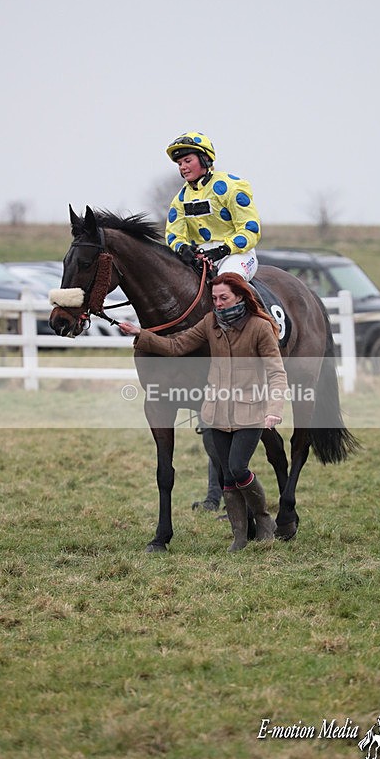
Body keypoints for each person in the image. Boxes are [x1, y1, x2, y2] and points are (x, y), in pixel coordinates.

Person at [119, 273, 288, 552]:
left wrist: (274, 410)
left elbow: (277, 374)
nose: (218, 304)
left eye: (224, 298)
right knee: (227, 478)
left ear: (240, 297)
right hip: (215, 412)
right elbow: (177, 346)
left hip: (249, 412)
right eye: (215, 299)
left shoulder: (260, 327)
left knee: (238, 468)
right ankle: (239, 537)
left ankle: (263, 517)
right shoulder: (210, 323)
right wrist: (141, 335)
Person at [165, 132, 261, 281]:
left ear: (205, 159)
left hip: (236, 255)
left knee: (225, 285)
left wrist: (223, 250)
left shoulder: (232, 187)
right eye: (179, 164)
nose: (183, 167)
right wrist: (183, 248)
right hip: (202, 258)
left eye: (187, 161)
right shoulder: (179, 200)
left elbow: (250, 229)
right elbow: (173, 236)